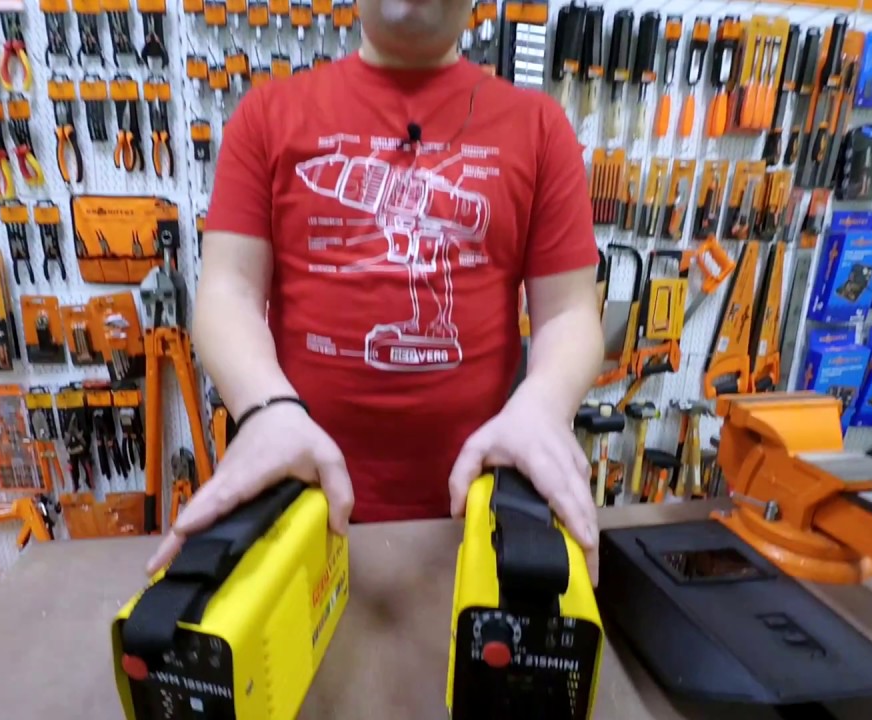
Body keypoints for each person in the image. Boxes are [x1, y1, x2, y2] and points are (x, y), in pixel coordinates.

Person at [147, 0, 602, 573]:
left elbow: (569, 313)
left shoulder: (539, 127)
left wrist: (542, 407)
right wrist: (265, 410)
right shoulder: (265, 114)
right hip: (298, 501)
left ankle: (428, 327)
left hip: (480, 510)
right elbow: (226, 294)